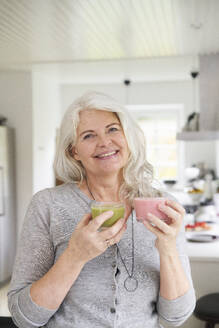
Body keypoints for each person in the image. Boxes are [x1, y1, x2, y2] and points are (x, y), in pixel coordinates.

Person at [8, 91, 196, 328]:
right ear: (73, 151)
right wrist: (75, 256)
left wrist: (168, 248)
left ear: (128, 136)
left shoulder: (162, 205)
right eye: (88, 136)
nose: (104, 142)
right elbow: (24, 317)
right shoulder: (47, 205)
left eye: (113, 129)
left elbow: (175, 317)